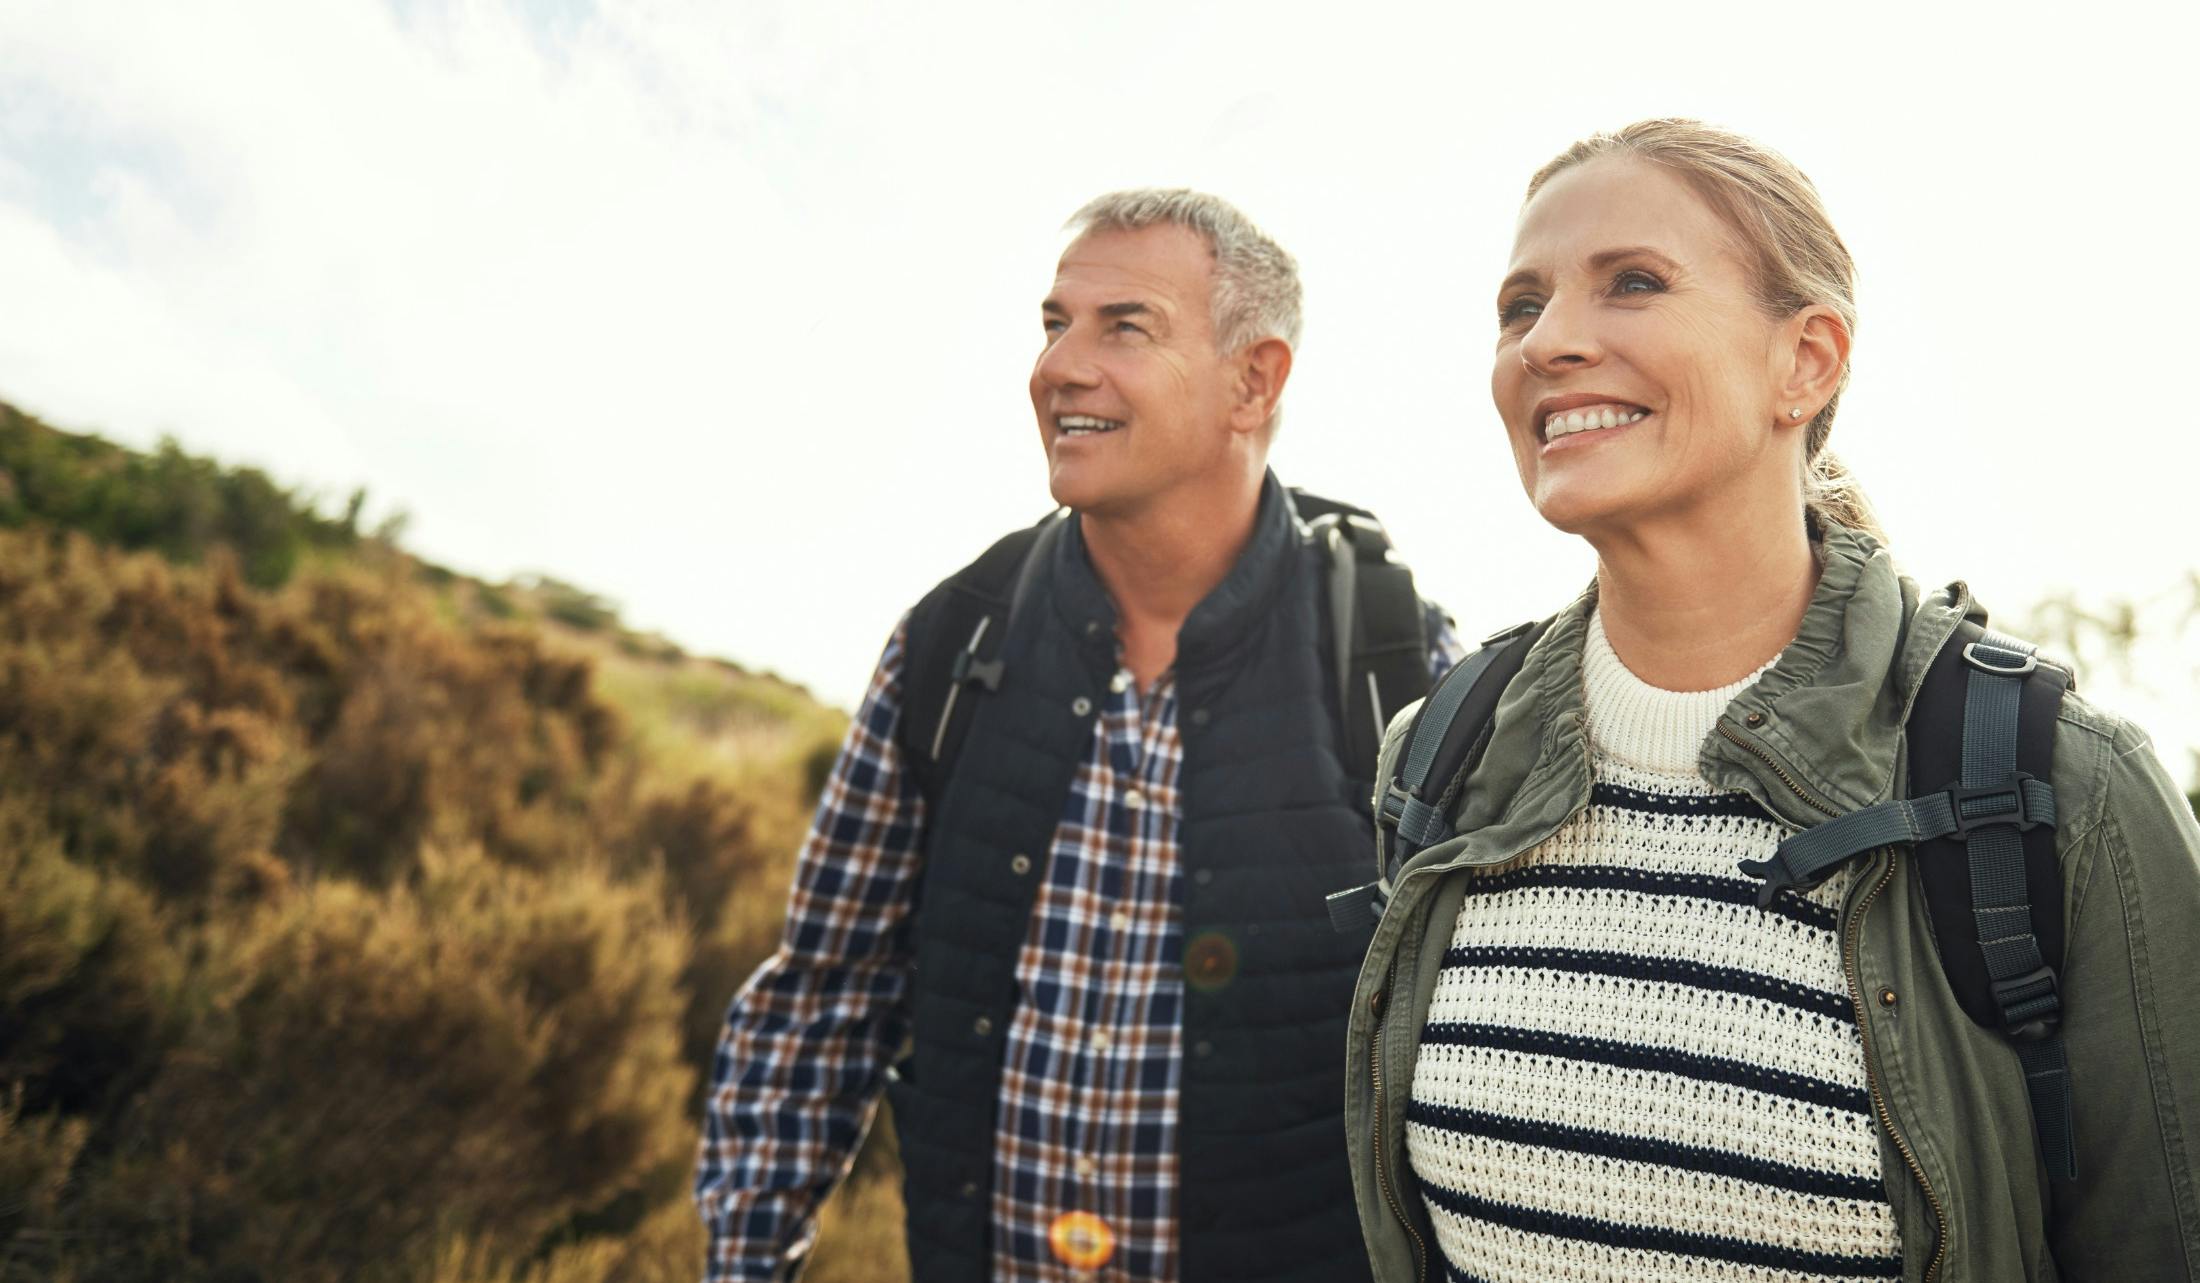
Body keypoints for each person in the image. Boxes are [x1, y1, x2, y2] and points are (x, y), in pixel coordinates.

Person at [1344, 119, 2200, 1283]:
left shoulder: (2059, 785)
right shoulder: (1441, 753)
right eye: (1520, 305)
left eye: (1632, 283)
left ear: (1805, 361)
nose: (1548, 342)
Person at [696, 188, 1462, 1282]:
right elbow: (818, 1002)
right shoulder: (954, 636)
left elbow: (1469, 1054)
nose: (1059, 366)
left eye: (1124, 326)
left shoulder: (1391, 657)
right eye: (1055, 323)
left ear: (1255, 379)